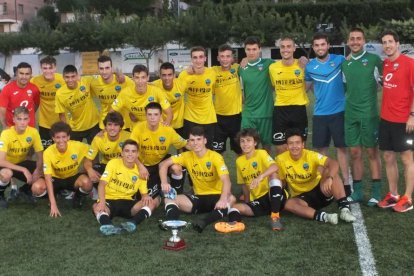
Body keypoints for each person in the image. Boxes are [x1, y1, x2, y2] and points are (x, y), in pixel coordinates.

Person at [159, 126, 236, 233]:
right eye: (192, 140)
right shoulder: (186, 156)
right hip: (199, 197)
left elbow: (226, 180)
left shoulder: (215, 157)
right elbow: (163, 165)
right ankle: (171, 222)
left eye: (199, 139)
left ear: (205, 140)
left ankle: (204, 221)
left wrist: (223, 198)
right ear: (189, 142)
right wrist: (164, 182)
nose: (195, 143)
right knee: (169, 199)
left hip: (217, 197)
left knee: (231, 198)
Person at [276, 128, 356, 224]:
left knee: (330, 172)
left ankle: (344, 209)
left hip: (322, 190)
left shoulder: (311, 155)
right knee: (288, 204)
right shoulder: (280, 160)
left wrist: (329, 178)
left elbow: (333, 163)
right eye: (291, 143)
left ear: (303, 145)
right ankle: (325, 217)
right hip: (303, 199)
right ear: (287, 146)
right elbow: (282, 182)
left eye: (297, 143)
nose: (294, 146)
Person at [214, 128, 287, 233]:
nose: (245, 144)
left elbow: (275, 167)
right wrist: (248, 201)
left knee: (273, 175)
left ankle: (275, 217)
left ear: (255, 142)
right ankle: (234, 224)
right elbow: (244, 184)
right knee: (235, 207)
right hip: (259, 202)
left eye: (248, 140)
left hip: (273, 197)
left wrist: (260, 177)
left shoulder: (261, 153)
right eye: (242, 141)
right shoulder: (239, 161)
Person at [341, 28, 383, 206]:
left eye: (359, 39)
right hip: (350, 115)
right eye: (352, 39)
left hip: (369, 115)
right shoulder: (345, 64)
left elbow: (383, 84)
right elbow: (345, 88)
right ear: (348, 42)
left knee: (372, 152)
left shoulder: (374, 60)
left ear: (364, 41)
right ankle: (357, 191)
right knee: (355, 153)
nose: (355, 42)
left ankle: (377, 192)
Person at [305, 33, 350, 193]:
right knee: (321, 151)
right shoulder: (310, 67)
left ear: (328, 45)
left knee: (342, 148)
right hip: (320, 114)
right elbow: (306, 87)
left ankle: (346, 183)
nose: (320, 48)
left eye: (322, 44)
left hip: (339, 112)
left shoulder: (339, 60)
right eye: (316, 45)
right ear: (313, 47)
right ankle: (320, 184)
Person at [377, 30, 414, 212]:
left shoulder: (409, 63)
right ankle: (393, 195)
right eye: (384, 42)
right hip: (386, 119)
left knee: (407, 158)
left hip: (404, 120)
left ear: (397, 43)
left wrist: (412, 115)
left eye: (390, 41)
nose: (387, 45)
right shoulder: (385, 64)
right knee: (388, 156)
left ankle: (407, 197)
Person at [92, 139, 156, 236]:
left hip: (127, 202)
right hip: (110, 199)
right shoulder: (113, 163)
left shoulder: (142, 172)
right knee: (96, 207)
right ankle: (108, 226)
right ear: (122, 153)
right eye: (127, 151)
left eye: (133, 151)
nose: (130, 154)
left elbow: (144, 193)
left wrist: (146, 196)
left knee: (151, 203)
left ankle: (132, 223)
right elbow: (102, 184)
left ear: (137, 154)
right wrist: (101, 202)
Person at [130, 102, 188, 196]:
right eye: (149, 114)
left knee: (176, 168)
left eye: (156, 114)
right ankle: (160, 187)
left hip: (162, 162)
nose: (152, 117)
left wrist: (200, 147)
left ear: (161, 115)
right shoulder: (138, 128)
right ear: (146, 115)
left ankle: (177, 193)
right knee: (145, 195)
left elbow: (183, 143)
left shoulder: (167, 130)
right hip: (145, 165)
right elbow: (131, 150)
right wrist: (140, 166)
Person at [40, 122, 96, 217]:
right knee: (37, 188)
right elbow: (48, 178)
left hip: (72, 178)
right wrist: (53, 204)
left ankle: (77, 197)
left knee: (87, 183)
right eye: (58, 137)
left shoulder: (78, 146)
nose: (61, 140)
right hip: (55, 179)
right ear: (53, 138)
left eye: (64, 137)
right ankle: (53, 196)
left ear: (68, 137)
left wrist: (89, 168)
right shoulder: (48, 152)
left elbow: (93, 150)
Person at [269, 37, 309, 155]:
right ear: (280, 49)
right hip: (280, 110)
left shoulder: (302, 65)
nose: (285, 49)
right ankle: (284, 173)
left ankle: (300, 172)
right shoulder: (273, 67)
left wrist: (306, 60)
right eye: (283, 47)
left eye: (288, 46)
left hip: (299, 109)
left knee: (300, 147)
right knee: (280, 149)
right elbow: (273, 86)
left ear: (294, 48)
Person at [0, 107, 45, 208]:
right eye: (19, 119)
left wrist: (38, 170)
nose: (22, 122)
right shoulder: (6, 134)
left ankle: (25, 190)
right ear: (14, 119)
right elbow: (1, 161)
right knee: (6, 174)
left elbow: (40, 155)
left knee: (44, 169)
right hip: (7, 164)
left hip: (21, 163)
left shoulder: (33, 132)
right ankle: (0, 195)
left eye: (25, 119)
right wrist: (24, 169)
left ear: (29, 119)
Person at [238, 36, 274, 153]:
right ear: (245, 50)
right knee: (247, 145)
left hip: (266, 113)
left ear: (259, 49)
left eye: (254, 49)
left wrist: (302, 59)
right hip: (249, 114)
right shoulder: (241, 68)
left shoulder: (269, 64)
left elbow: (285, 64)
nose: (251, 52)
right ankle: (250, 171)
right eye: (248, 49)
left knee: (266, 146)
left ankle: (265, 170)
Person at [178, 46, 217, 149]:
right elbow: (177, 94)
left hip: (209, 119)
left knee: (207, 150)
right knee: (188, 149)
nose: (198, 60)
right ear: (191, 59)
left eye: (200, 57)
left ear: (205, 58)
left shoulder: (212, 73)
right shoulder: (184, 75)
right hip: (190, 118)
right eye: (195, 57)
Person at [111, 64, 172, 130]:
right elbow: (111, 112)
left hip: (155, 129)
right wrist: (113, 127)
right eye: (137, 77)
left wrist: (165, 126)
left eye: (143, 77)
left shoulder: (156, 91)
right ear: (133, 78)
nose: (140, 81)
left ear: (148, 78)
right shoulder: (125, 93)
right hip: (137, 130)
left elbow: (169, 113)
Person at [55, 65, 100, 144]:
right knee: (75, 155)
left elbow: (102, 78)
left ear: (77, 76)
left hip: (94, 125)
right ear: (63, 77)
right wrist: (66, 130)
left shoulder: (85, 81)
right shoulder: (60, 94)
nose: (70, 80)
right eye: (67, 77)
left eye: (73, 76)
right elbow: (61, 114)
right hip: (75, 128)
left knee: (93, 154)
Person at [211, 44, 242, 154]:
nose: (225, 59)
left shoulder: (238, 68)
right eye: (222, 56)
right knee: (217, 152)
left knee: (240, 151)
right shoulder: (213, 71)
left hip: (237, 118)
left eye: (228, 56)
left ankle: (243, 171)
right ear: (218, 58)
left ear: (232, 58)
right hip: (218, 118)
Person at [90, 55, 134, 129]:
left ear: (112, 68)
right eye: (101, 68)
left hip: (124, 124)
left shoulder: (123, 80)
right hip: (105, 123)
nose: (104, 71)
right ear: (98, 69)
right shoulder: (94, 83)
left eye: (107, 68)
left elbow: (139, 84)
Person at [31, 56, 65, 149]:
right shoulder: (35, 81)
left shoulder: (62, 79)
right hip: (44, 123)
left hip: (60, 121)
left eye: (50, 68)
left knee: (61, 148)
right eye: (45, 68)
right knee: (46, 150)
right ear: (41, 68)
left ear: (55, 68)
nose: (48, 71)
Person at [0, 62, 40, 129]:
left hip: (29, 127)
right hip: (12, 127)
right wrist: (5, 126)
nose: (24, 77)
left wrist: (28, 112)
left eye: (27, 74)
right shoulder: (7, 89)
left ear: (31, 75)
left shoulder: (34, 88)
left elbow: (36, 105)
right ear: (16, 74)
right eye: (21, 73)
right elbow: (2, 110)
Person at [152, 62, 186, 137]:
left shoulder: (182, 84)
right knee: (162, 147)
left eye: (169, 75)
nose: (167, 78)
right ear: (160, 76)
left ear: (174, 75)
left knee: (181, 147)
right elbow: (139, 84)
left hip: (179, 123)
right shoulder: (154, 86)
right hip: (162, 123)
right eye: (164, 75)